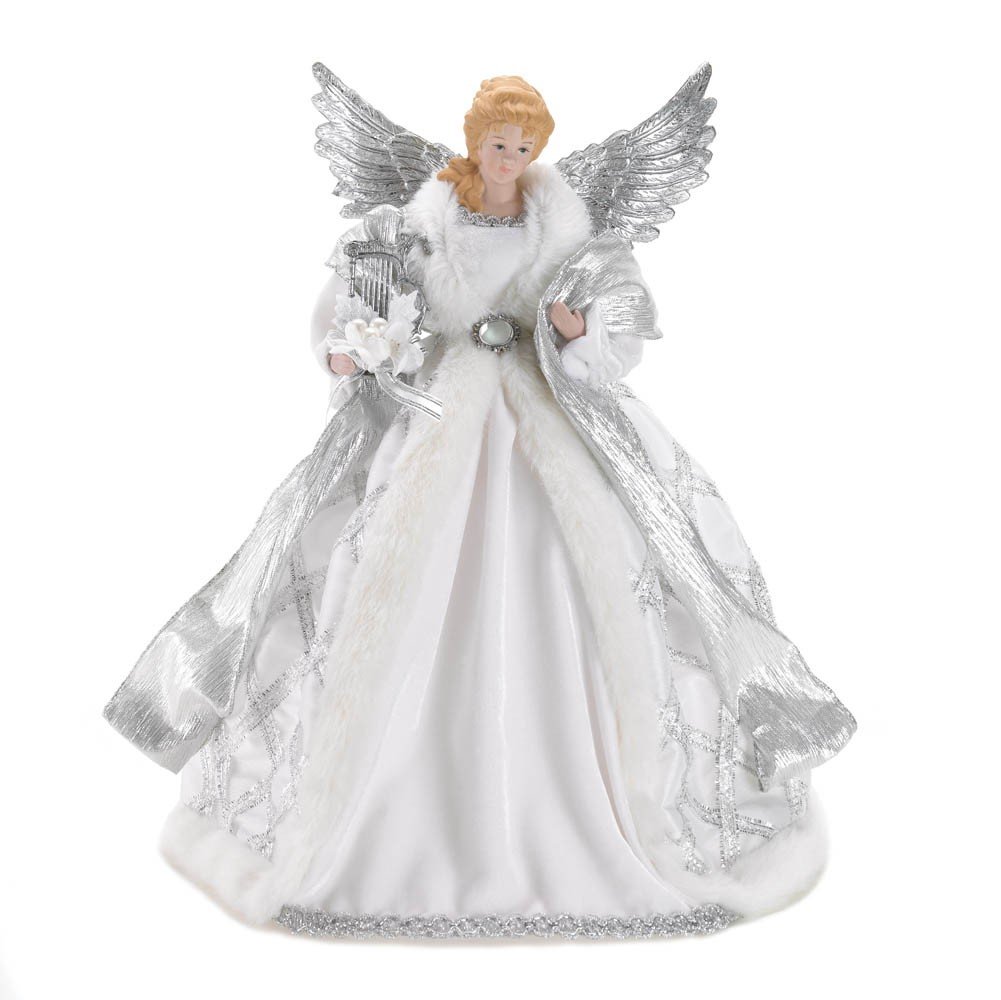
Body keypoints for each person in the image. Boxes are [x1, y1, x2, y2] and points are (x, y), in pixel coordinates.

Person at [103, 65, 855, 940]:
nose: (510, 158)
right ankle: (372, 805)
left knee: (597, 574)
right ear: (475, 141)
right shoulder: (413, 224)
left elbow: (619, 322)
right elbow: (355, 306)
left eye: (524, 146)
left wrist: (577, 334)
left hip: (547, 419)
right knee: (371, 571)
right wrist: (357, 348)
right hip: (433, 418)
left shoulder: (567, 227)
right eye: (499, 144)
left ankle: (603, 798)